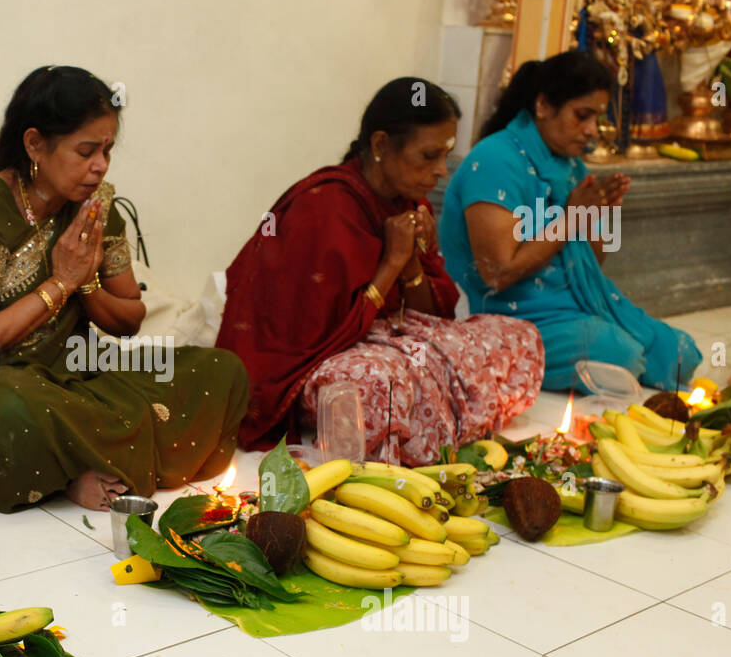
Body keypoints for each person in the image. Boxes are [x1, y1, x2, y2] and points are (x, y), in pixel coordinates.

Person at [0, 66, 248, 512]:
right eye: (86, 151)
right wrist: (60, 283)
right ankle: (70, 472)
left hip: (74, 374)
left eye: (106, 150)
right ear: (34, 145)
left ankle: (74, 456)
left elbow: (129, 319)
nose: (100, 165)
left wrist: (86, 285)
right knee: (17, 409)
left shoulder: (95, 208)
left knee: (219, 370)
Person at [216, 78, 543, 464]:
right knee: (374, 383)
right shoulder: (322, 207)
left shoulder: (410, 203)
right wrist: (390, 263)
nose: (441, 170)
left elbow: (434, 316)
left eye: (446, 155)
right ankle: (409, 440)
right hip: (323, 360)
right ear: (380, 145)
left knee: (518, 335)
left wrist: (411, 265)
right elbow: (315, 339)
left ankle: (431, 427)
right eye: (428, 156)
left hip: (392, 337)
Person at [439, 51, 701, 391]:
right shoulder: (494, 160)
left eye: (597, 118)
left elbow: (592, 266)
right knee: (620, 356)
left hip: (570, 307)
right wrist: (574, 215)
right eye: (582, 115)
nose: (592, 131)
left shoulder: (570, 165)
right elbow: (497, 272)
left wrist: (600, 215)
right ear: (544, 105)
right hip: (504, 316)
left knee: (679, 356)